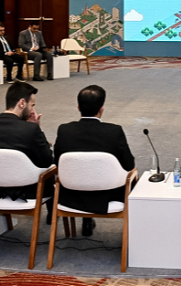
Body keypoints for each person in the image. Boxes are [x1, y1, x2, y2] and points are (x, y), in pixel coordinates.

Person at [54, 84, 135, 236]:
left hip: (71, 195)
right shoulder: (114, 131)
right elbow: (129, 165)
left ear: (78, 107)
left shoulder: (64, 130)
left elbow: (57, 162)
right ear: (101, 109)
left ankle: (86, 220)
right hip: (108, 195)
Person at [0, 81, 54, 205]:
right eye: (32, 105)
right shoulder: (30, 129)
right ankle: (51, 213)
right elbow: (47, 160)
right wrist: (38, 129)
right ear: (22, 103)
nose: (33, 111)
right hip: (29, 192)